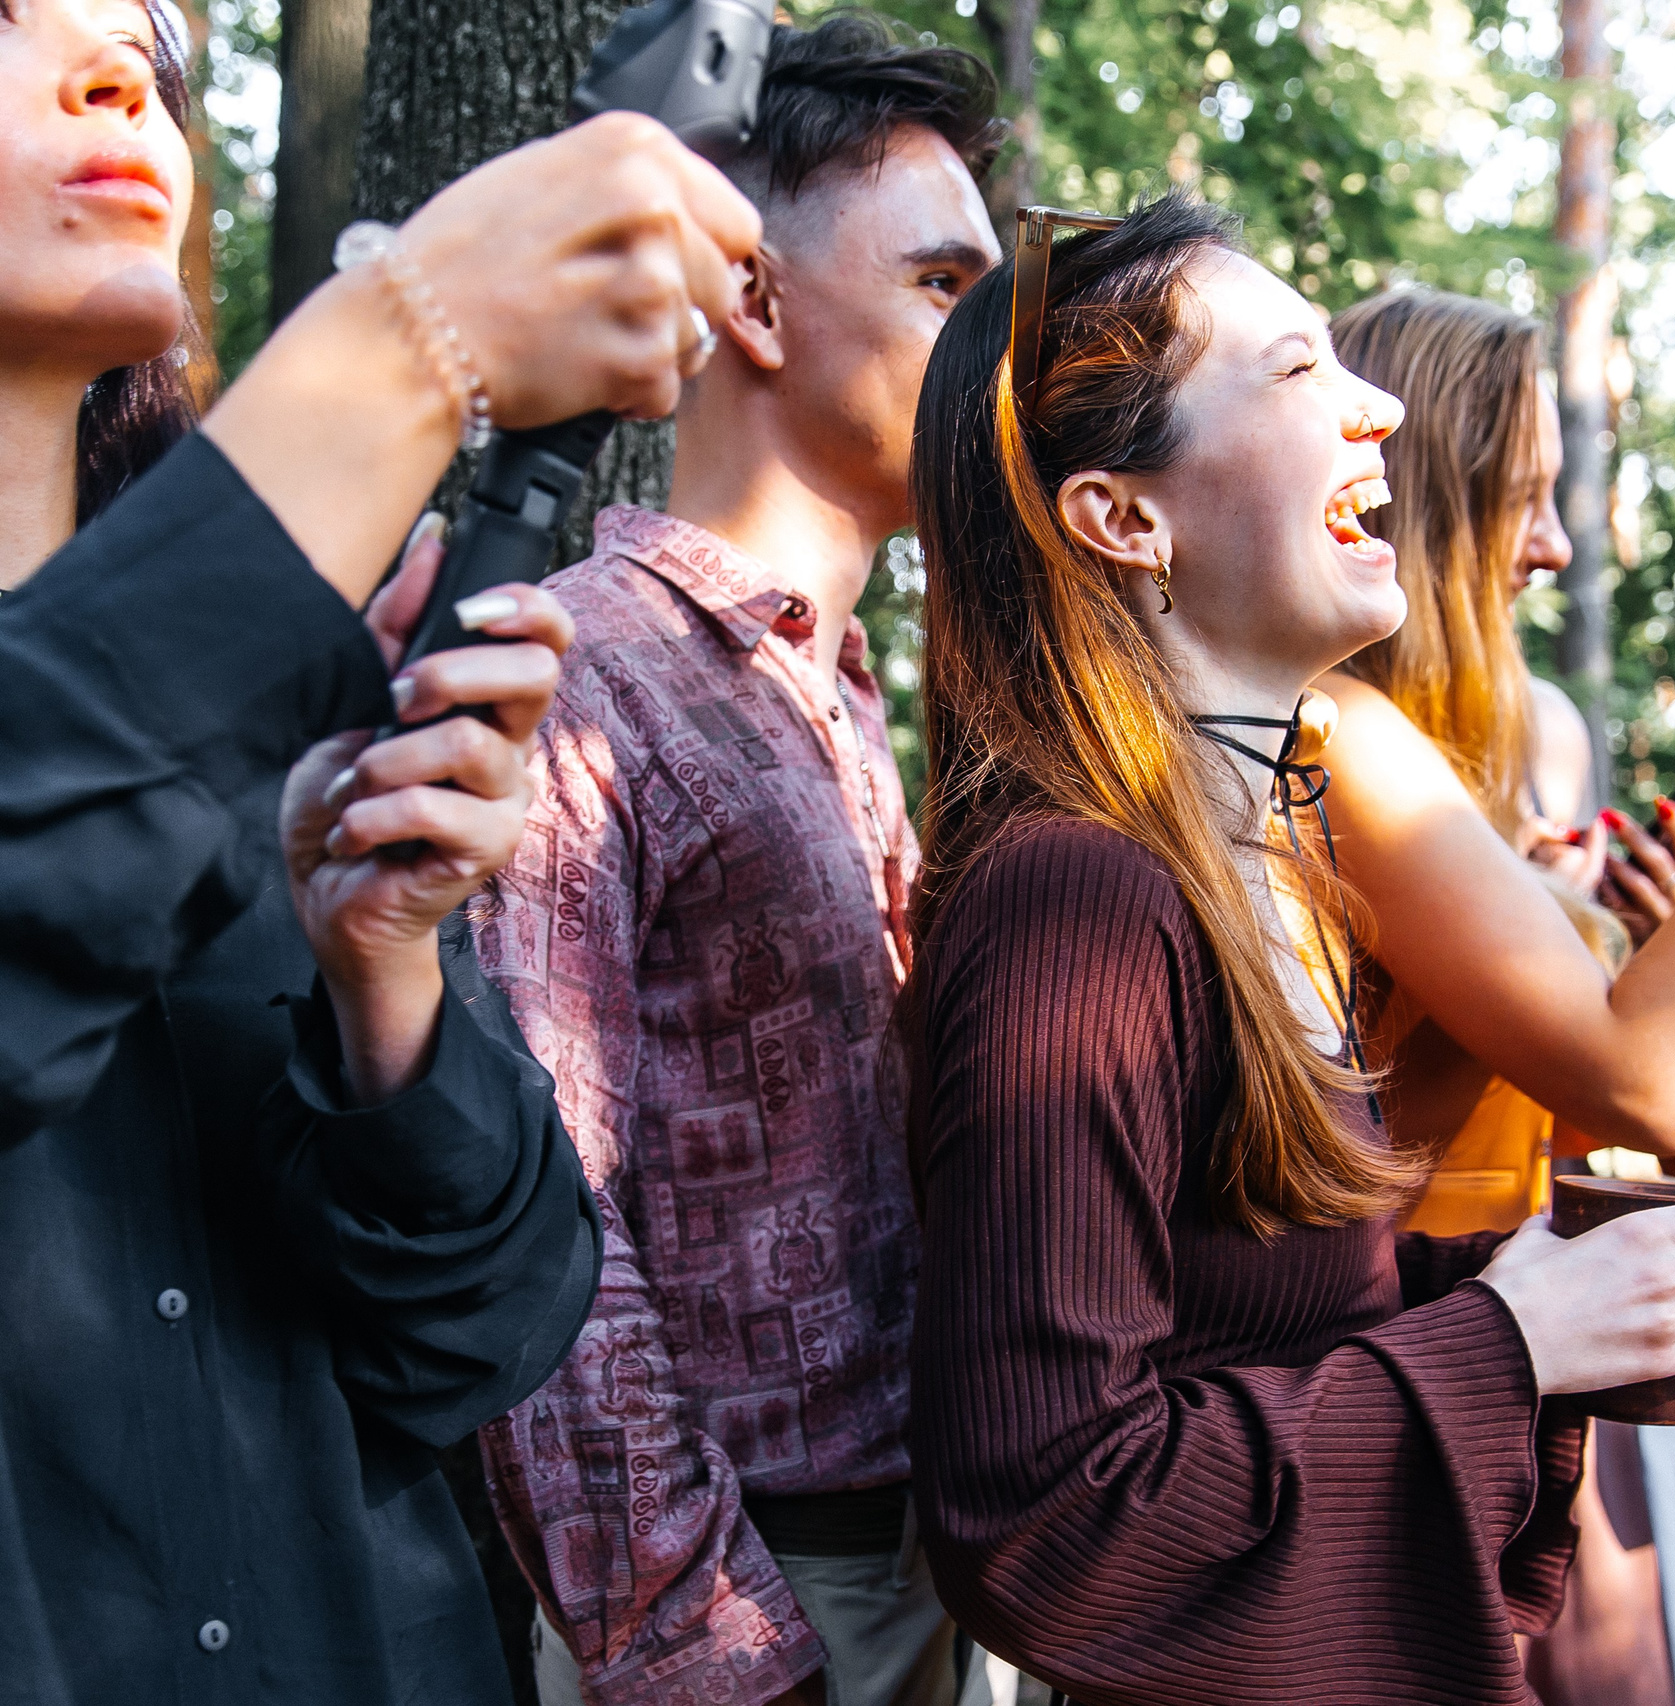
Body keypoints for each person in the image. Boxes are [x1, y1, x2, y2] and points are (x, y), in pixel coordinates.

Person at [896, 192, 1675, 1706]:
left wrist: (1547, 1289)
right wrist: (1506, 1342)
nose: (1380, 407)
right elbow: (1049, 1517)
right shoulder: (1078, 898)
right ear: (1124, 518)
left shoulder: (1245, 854)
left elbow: (1244, 1319)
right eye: (1296, 370)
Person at [0, 0, 762, 1700]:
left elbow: (482, 1336)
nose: (123, 72)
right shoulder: (227, 652)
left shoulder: (297, 696)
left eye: (158, 53)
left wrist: (387, 976)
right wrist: (413, 340)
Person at [466, 16, 1005, 1706]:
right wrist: (717, 1654)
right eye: (944, 289)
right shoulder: (581, 672)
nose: (997, 354)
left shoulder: (832, 686)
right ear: (758, 302)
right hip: (750, 1609)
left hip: (916, 1562)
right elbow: (541, 1222)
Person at [1321, 289, 1675, 1706]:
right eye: (1519, 501)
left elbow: (1666, 1120)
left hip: (1547, 1330)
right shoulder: (1336, 740)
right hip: (1409, 1361)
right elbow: (1634, 1075)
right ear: (1410, 504)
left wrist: (1661, 945)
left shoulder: (1507, 750)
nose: (1559, 547)